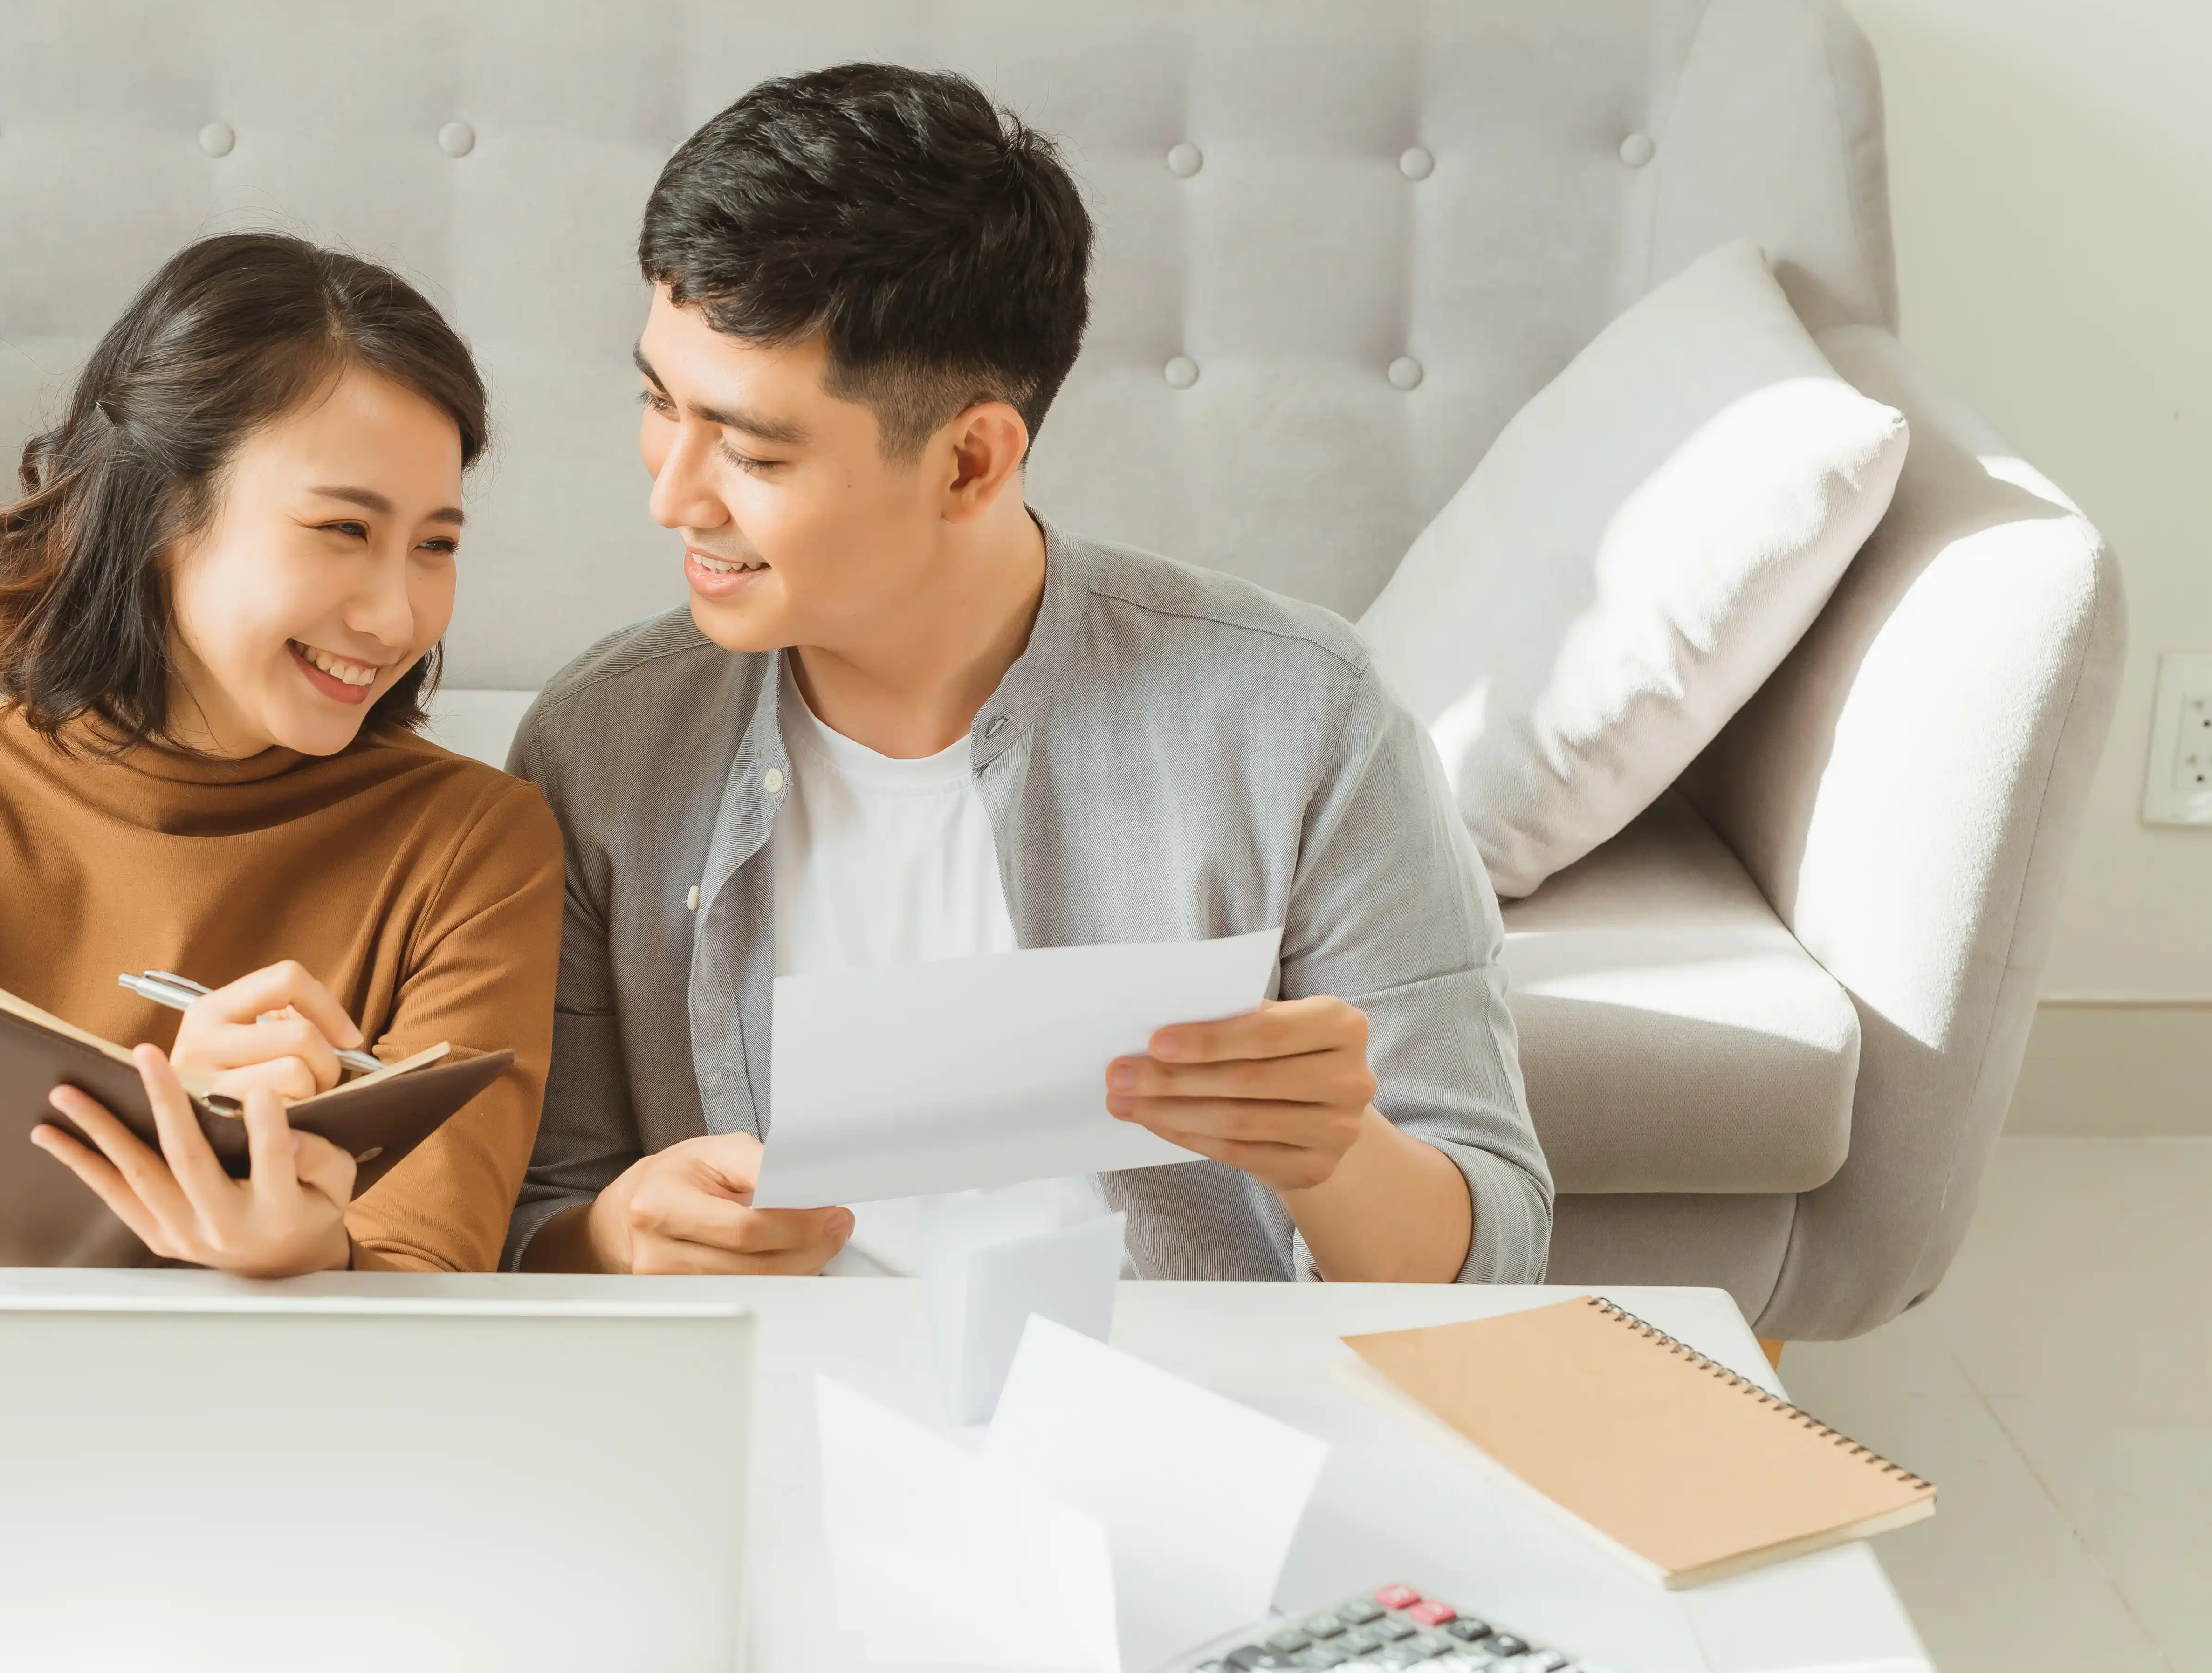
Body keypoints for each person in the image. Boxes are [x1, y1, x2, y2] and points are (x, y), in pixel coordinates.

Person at [507, 65, 1549, 1284]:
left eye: (749, 451)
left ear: (970, 463)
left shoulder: (1303, 720)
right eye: (656, 404)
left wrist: (1334, 1158)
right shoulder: (602, 746)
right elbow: (531, 1218)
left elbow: (1498, 1253)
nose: (671, 494)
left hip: (1163, 1435)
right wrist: (614, 1235)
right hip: (759, 1424)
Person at [0, 232, 563, 1276]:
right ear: (159, 514)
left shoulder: (474, 843)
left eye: (436, 543)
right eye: (341, 529)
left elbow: (429, 1271)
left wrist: (309, 1254)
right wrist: (159, 1154)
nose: (395, 612)